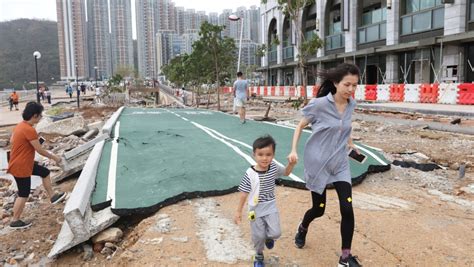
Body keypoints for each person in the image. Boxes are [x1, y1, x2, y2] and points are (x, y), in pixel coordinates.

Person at [287, 63, 362, 267]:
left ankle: (345, 258)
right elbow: (300, 125)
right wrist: (293, 150)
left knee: (347, 208)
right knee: (318, 209)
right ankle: (303, 227)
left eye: (355, 86)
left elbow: (345, 127)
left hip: (339, 164)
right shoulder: (320, 105)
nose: (351, 90)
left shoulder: (351, 104)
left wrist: (351, 144)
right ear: (336, 83)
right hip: (318, 164)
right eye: (347, 84)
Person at [234, 135, 296, 267]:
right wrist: (238, 211)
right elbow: (243, 194)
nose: (264, 158)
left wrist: (291, 164)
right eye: (260, 154)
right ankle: (258, 255)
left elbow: (285, 173)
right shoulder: (250, 173)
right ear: (254, 154)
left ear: (273, 155)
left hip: (270, 205)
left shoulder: (273, 166)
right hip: (254, 209)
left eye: (268, 154)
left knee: (276, 232)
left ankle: (269, 237)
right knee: (258, 236)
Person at [7, 102, 67, 229]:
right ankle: (15, 220)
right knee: (23, 193)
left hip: (21, 163)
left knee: (44, 172)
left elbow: (13, 141)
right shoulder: (29, 129)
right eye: (40, 116)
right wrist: (54, 157)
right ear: (34, 116)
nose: (40, 118)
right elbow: (39, 150)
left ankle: (52, 196)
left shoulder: (19, 126)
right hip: (21, 166)